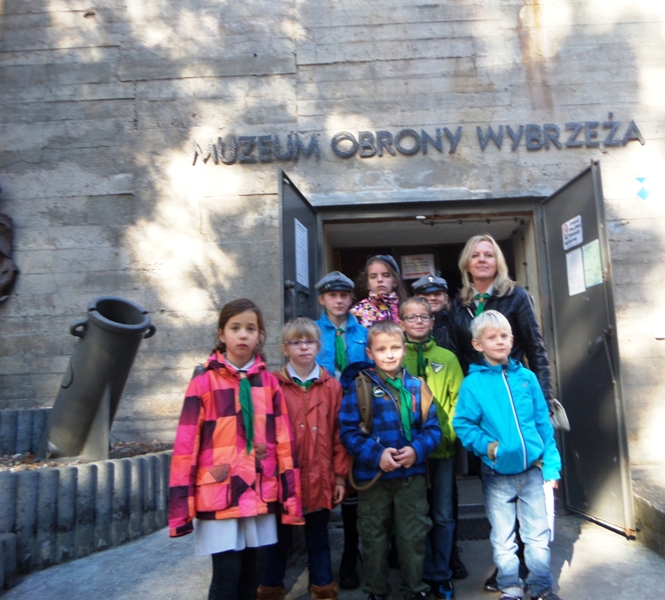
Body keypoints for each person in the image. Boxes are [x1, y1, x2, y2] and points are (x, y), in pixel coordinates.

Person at [168, 299, 302, 600]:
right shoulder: (203, 382)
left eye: (251, 329)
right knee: (226, 573)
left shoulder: (269, 383)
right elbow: (186, 446)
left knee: (251, 573)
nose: (243, 335)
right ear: (221, 334)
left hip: (259, 488)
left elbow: (283, 443)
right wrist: (180, 510)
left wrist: (291, 498)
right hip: (219, 487)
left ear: (260, 336)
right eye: (235, 328)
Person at [450, 233, 554, 592]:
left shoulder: (516, 296)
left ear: (498, 262)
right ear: (467, 262)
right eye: (476, 254)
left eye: (489, 254)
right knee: (499, 495)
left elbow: (535, 349)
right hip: (484, 402)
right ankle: (508, 568)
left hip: (516, 396)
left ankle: (530, 570)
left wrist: (545, 400)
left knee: (529, 494)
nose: (482, 260)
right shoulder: (459, 303)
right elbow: (459, 354)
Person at [339, 320, 441, 600]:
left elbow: (433, 429)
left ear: (404, 349)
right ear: (369, 353)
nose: (389, 354)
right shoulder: (359, 387)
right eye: (381, 349)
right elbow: (347, 432)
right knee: (373, 536)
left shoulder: (418, 387)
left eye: (395, 347)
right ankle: (376, 589)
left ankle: (414, 588)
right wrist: (377, 454)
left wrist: (416, 450)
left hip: (411, 478)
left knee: (413, 535)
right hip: (374, 479)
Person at [258, 318, 349, 600]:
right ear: (285, 348)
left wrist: (339, 477)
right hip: (283, 480)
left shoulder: (331, 386)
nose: (304, 347)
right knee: (278, 541)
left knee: (319, 538)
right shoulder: (273, 384)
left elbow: (339, 434)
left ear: (319, 346)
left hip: (320, 478)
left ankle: (322, 588)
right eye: (296, 342)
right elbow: (264, 434)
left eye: (309, 341)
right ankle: (270, 589)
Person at [400, 298, 464, 600]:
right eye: (411, 317)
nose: (418, 322)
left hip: (441, 451)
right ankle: (420, 573)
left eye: (423, 317)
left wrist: (448, 437)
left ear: (432, 321)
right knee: (415, 515)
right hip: (408, 453)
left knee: (442, 514)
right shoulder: (396, 356)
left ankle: (442, 573)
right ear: (401, 323)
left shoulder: (447, 358)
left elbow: (458, 402)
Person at [314, 271, 368, 589]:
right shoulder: (312, 332)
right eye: (332, 295)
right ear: (322, 299)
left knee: (353, 486)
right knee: (323, 485)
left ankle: (350, 555)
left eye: (344, 295)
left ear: (351, 299)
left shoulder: (363, 333)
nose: (338, 300)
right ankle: (319, 560)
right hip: (322, 418)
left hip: (356, 418)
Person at [350, 254, 408, 328]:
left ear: (395, 281)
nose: (380, 280)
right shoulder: (356, 312)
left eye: (386, 275)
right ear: (367, 284)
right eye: (373, 276)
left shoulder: (408, 309)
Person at [411, 274, 456, 353]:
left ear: (445, 299)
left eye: (437, 294)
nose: (432, 298)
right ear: (416, 299)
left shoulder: (455, 322)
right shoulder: (409, 324)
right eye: (426, 294)